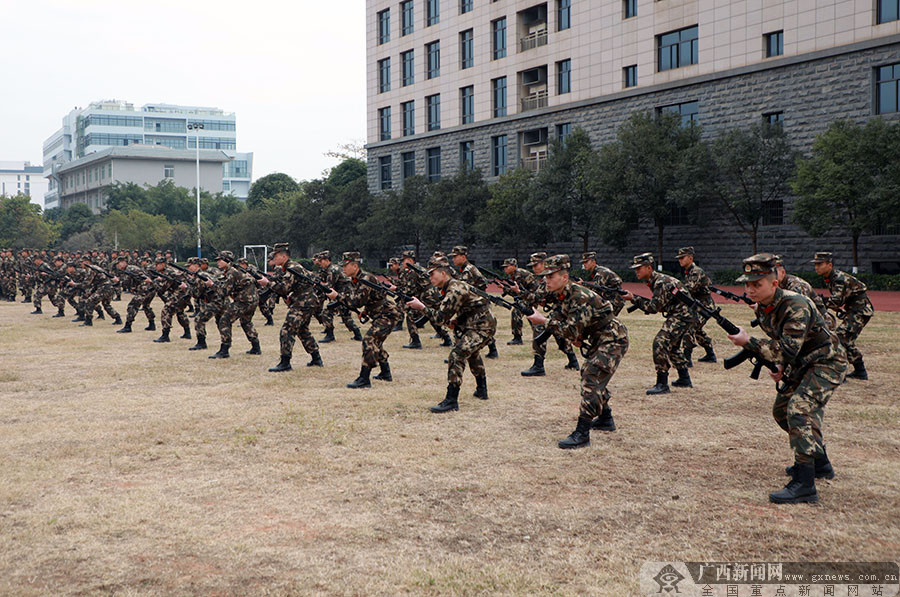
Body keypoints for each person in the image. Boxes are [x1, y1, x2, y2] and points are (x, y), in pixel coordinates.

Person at [726, 253, 847, 504]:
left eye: (756, 284)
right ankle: (820, 462)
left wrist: (749, 341)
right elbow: (785, 347)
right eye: (747, 284)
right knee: (782, 411)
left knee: (799, 410)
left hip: (827, 362)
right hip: (803, 363)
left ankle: (805, 484)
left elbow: (787, 348)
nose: (750, 289)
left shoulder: (797, 305)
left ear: (774, 283)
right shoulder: (764, 308)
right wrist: (779, 365)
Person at [526, 255, 628, 448]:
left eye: (551, 276)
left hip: (612, 339)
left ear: (564, 277)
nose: (546, 280)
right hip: (599, 338)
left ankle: (582, 434)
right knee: (592, 376)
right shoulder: (562, 294)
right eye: (545, 276)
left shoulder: (579, 296)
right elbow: (566, 320)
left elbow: (570, 329)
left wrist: (543, 321)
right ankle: (606, 418)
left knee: (591, 377)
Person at [406, 255, 497, 412]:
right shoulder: (452, 286)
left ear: (443, 273)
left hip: (482, 326)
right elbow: (468, 306)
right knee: (472, 354)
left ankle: (451, 400)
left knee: (457, 355)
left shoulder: (454, 289)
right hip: (474, 323)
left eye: (431, 274)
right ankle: (482, 390)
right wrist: (457, 320)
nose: (429, 277)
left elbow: (440, 318)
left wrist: (421, 307)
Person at [622, 252, 696, 394]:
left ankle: (662, 384)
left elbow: (653, 308)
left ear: (649, 268)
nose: (636, 271)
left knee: (660, 343)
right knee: (672, 347)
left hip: (682, 315)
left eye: (639, 268)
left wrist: (633, 299)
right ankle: (684, 379)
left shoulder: (660, 282)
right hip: (684, 314)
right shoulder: (656, 280)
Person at [811, 252, 873, 380]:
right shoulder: (830, 277)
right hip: (855, 310)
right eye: (815, 264)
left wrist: (818, 301)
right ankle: (860, 371)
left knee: (840, 338)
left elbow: (836, 301)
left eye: (820, 264)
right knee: (846, 340)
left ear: (829, 265)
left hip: (860, 311)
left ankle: (841, 371)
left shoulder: (838, 278)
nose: (816, 267)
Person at [517, 252, 580, 376]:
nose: (534, 268)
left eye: (537, 265)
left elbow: (536, 296)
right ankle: (572, 361)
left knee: (542, 329)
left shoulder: (559, 282)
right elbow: (546, 297)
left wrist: (519, 291)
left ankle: (538, 366)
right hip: (559, 312)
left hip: (563, 313)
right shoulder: (558, 280)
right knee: (558, 334)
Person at [267, 243, 324, 372]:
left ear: (283, 256)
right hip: (306, 302)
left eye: (276, 255)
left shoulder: (292, 268)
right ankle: (316, 358)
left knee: (287, 330)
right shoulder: (290, 267)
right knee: (302, 331)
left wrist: (268, 283)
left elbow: (283, 288)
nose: (274, 258)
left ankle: (285, 362)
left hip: (303, 304)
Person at [449, 246, 499, 359]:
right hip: (476, 304)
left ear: (463, 256)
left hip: (477, 305)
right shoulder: (466, 269)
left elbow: (463, 290)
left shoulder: (468, 270)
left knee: (471, 327)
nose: (453, 259)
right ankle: (492, 350)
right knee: (478, 327)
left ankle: (457, 353)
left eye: (455, 257)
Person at [208, 250, 261, 358]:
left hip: (244, 301)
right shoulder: (237, 269)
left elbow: (223, 292)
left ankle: (224, 349)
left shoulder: (232, 272)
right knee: (246, 322)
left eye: (220, 260)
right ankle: (256, 347)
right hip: (252, 300)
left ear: (227, 260)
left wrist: (211, 285)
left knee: (224, 320)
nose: (217, 262)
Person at [676, 247, 717, 366]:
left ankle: (687, 358)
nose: (680, 260)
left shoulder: (696, 271)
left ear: (690, 258)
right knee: (697, 330)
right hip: (698, 306)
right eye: (679, 258)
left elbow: (688, 290)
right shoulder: (689, 271)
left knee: (689, 327)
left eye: (682, 258)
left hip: (705, 307)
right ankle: (710, 354)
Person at [313, 250, 363, 343]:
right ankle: (357, 334)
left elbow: (329, 286)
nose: (320, 263)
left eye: (321, 261)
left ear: (327, 260)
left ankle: (330, 335)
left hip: (343, 295)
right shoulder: (329, 269)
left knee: (327, 312)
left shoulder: (333, 270)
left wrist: (319, 284)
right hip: (342, 294)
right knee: (346, 316)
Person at [151, 257, 190, 343]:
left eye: (157, 265)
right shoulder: (170, 271)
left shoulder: (168, 272)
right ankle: (187, 332)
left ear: (162, 264)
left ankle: (165, 335)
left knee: (166, 310)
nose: (156, 267)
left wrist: (154, 282)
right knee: (180, 312)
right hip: (185, 293)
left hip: (180, 293)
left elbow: (163, 289)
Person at [115, 255, 157, 333]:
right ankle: (152, 324)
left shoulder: (130, 269)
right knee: (146, 306)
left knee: (133, 305)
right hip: (150, 289)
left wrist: (117, 282)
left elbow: (126, 282)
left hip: (145, 288)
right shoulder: (130, 268)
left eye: (119, 263)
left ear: (124, 262)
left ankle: (128, 326)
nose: (118, 266)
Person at [501, 257, 534, 345]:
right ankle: (540, 333)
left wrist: (505, 289)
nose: (505, 269)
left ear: (514, 266)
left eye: (507, 266)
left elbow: (517, 292)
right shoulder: (513, 275)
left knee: (516, 311)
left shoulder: (519, 275)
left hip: (531, 297)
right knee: (531, 316)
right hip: (527, 296)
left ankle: (517, 338)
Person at [580, 251, 625, 316]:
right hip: (612, 299)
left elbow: (595, 293)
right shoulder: (598, 271)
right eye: (583, 262)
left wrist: (582, 286)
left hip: (615, 300)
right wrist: (583, 284)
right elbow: (597, 288)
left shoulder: (600, 273)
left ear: (593, 262)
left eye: (586, 262)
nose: (584, 264)